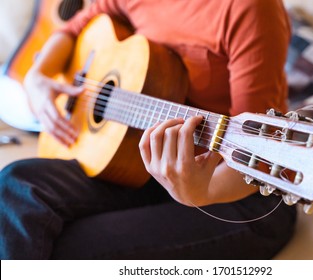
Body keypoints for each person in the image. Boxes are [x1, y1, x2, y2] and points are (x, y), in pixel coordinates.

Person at [0, 0, 296, 259]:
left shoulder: (250, 7)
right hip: (143, 168)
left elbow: (260, 152)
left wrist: (199, 191)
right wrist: (38, 77)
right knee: (16, 183)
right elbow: (74, 28)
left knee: (73, 247)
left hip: (240, 194)